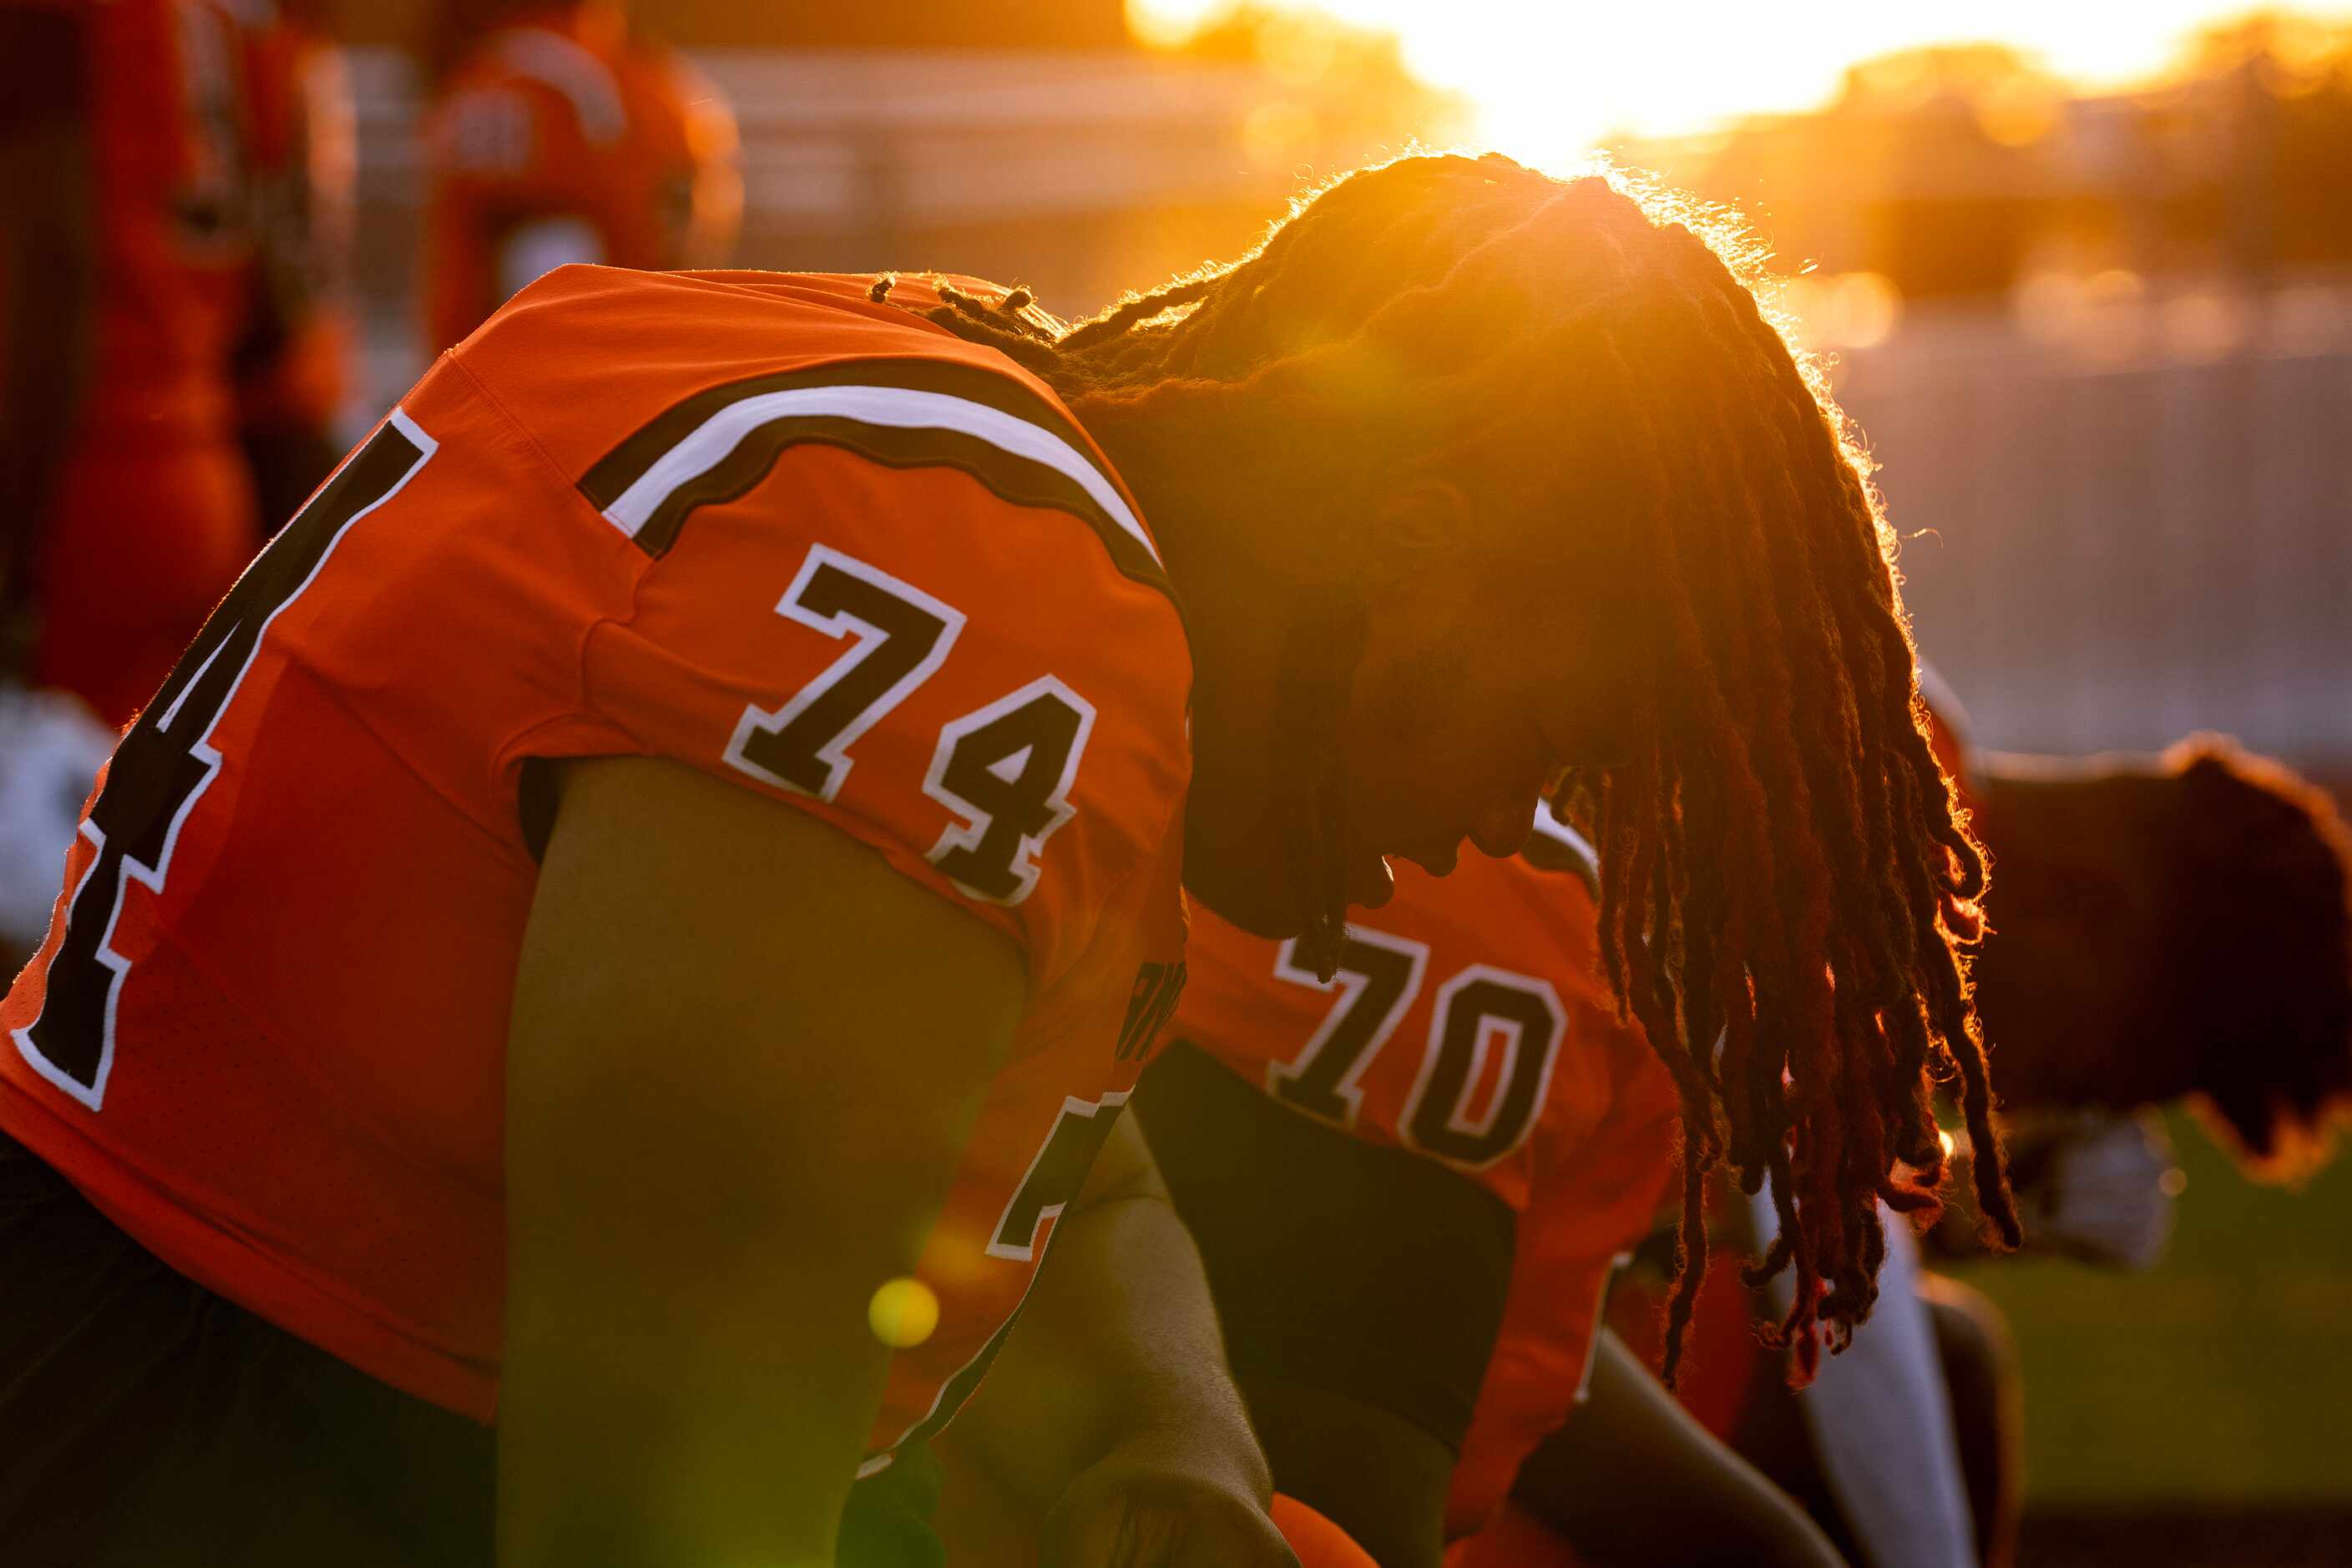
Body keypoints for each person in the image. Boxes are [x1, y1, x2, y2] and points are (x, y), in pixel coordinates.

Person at [0, 153, 2004, 1563]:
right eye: (1552, 733)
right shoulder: (987, 602)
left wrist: (1164, 1424)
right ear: (1424, 550)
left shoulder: (979, 471)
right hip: (202, 1460)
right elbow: (658, 1511)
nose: (1501, 819)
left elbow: (1024, 1139)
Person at [1130, 811, 1848, 1568]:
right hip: (1387, 1432)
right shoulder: (1609, 924)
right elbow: (1535, 1352)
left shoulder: (1197, 773)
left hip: (1117, 1345)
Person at [1, 0, 269, 730]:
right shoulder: (206, 19)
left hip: (83, 475)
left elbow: (53, 254)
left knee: (56, 829)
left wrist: (18, 549)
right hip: (199, 450)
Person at [421, 0, 741, 352]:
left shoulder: (480, 70)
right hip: (582, 350)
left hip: (472, 359)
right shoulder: (619, 78)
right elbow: (687, 213)